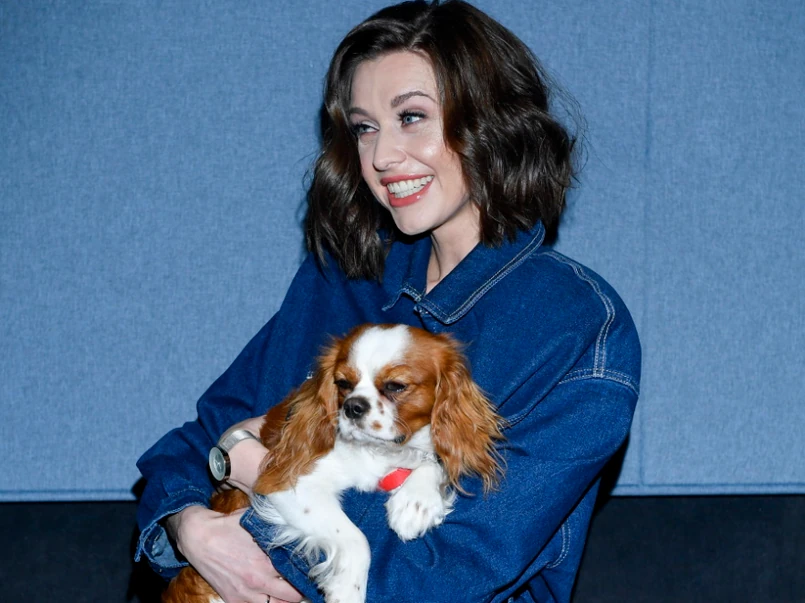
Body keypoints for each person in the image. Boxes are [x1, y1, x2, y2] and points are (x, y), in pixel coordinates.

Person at [135, 1, 641, 602]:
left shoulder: (575, 326)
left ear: (490, 121)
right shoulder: (343, 277)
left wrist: (254, 469)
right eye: (364, 127)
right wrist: (192, 529)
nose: (381, 157)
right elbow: (196, 444)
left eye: (412, 117)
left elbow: (451, 571)